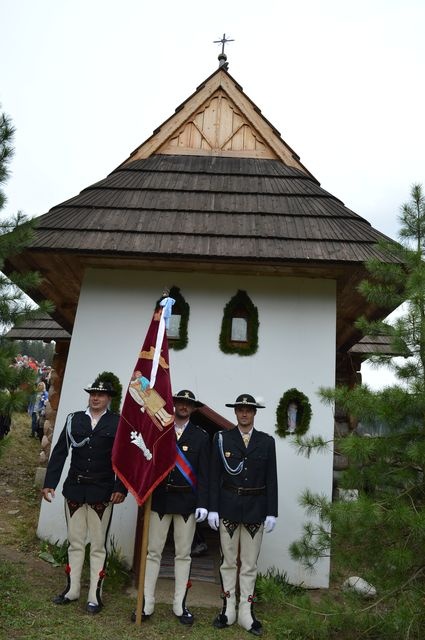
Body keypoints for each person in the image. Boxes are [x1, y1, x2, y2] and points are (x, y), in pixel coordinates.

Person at [41, 378, 127, 615]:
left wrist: (121, 487)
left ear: (109, 398)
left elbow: (123, 459)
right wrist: (50, 483)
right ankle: (72, 590)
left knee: (98, 546)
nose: (95, 397)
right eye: (92, 394)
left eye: (100, 394)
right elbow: (59, 453)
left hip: (103, 492)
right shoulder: (73, 419)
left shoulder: (118, 423)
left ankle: (94, 596)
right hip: (75, 491)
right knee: (75, 543)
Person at [208, 394, 278, 636]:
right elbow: (214, 475)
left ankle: (246, 613)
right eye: (240, 409)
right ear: (235, 413)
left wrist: (272, 512)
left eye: (248, 410)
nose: (244, 413)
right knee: (228, 562)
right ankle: (228, 609)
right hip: (228, 506)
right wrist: (212, 508)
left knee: (249, 564)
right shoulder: (222, 439)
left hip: (255, 509)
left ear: (255, 413)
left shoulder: (266, 442)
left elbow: (271, 478)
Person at [141, 389, 209, 625]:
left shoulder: (201, 436)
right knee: (153, 553)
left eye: (188, 404)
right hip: (160, 500)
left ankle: (180, 605)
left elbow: (204, 474)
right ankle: (146, 603)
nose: (183, 406)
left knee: (183, 555)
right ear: (174, 405)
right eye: (180, 402)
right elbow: (147, 462)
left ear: (193, 409)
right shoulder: (160, 431)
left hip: (187, 504)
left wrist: (203, 504)